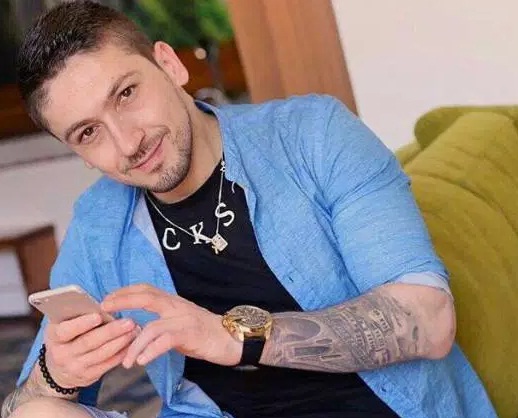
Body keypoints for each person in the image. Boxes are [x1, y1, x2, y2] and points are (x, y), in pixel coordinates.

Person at [1, 2, 496, 418]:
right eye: (89, 132)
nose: (127, 143)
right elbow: (22, 404)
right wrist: (55, 374)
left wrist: (233, 336)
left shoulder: (313, 134)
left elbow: (428, 320)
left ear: (169, 65)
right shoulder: (99, 224)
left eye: (127, 94)